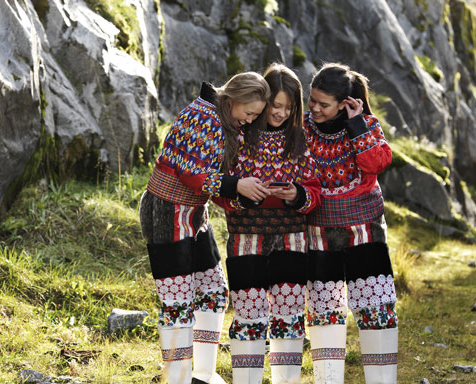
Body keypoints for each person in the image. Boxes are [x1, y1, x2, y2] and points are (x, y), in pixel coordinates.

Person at [139, 72, 271, 384]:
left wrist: (244, 196)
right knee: (177, 301)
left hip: (195, 214)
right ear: (233, 100)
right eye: (248, 113)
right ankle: (178, 378)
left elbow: (215, 183)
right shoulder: (200, 115)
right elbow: (190, 172)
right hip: (166, 211)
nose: (250, 120)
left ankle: (203, 373)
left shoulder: (226, 123)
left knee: (213, 291)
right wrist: (237, 185)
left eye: (255, 115)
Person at [213, 63, 321, 384]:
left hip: (291, 236)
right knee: (249, 310)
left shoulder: (300, 138)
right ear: (263, 101)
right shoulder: (239, 133)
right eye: (276, 105)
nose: (282, 113)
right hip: (246, 233)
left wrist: (297, 194)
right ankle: (246, 379)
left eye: (289, 107)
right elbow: (219, 187)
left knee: (288, 311)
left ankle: (285, 380)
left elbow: (315, 190)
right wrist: (241, 193)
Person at [303, 62, 398, 384]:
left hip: (365, 230)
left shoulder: (366, 124)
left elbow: (378, 162)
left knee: (375, 308)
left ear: (345, 103)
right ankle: (327, 380)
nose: (314, 108)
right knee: (324, 310)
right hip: (318, 232)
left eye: (323, 104)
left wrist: (357, 124)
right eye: (311, 100)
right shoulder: (303, 128)